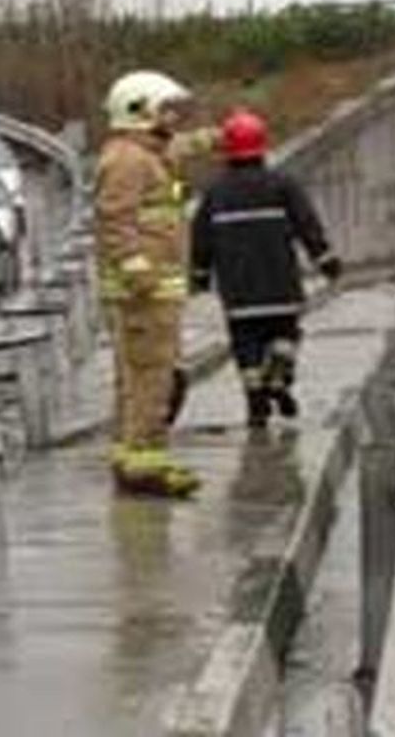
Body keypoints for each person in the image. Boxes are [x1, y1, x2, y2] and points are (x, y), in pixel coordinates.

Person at [95, 70, 215, 498]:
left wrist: (211, 139)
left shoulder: (148, 153)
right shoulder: (128, 160)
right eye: (164, 108)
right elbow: (115, 221)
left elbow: (177, 153)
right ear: (138, 111)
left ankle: (132, 455)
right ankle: (147, 465)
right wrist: (138, 269)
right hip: (144, 292)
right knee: (152, 378)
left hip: (154, 289)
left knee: (139, 376)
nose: (172, 117)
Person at [191, 109, 340, 429]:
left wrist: (200, 277)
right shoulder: (283, 184)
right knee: (286, 332)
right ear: (262, 145)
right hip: (281, 285)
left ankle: (255, 398)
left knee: (245, 344)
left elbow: (200, 239)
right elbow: (307, 225)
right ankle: (279, 378)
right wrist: (326, 260)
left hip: (239, 291)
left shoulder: (215, 193)